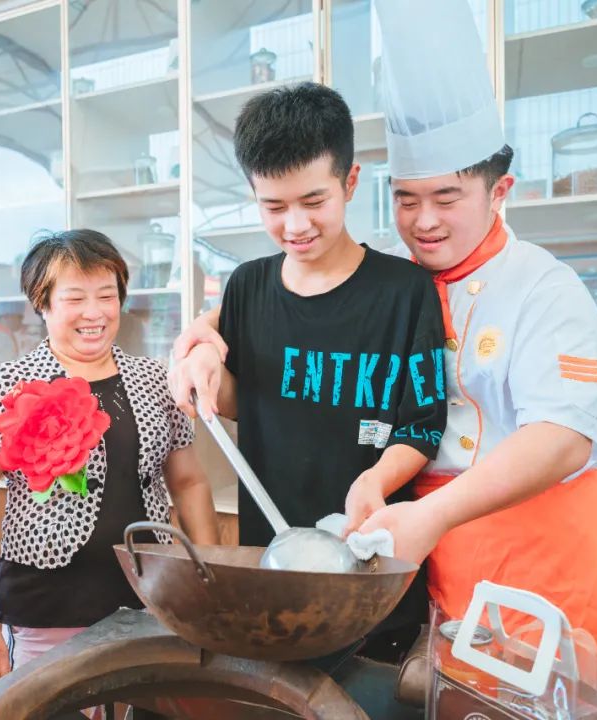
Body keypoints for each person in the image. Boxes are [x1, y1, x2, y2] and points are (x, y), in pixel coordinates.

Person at [174, 2, 597, 714]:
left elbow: (562, 438)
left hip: (547, 549)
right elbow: (294, 298)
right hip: (432, 556)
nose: (425, 221)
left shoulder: (544, 286)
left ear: (499, 192)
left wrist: (431, 516)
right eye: (407, 199)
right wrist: (203, 332)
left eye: (447, 198)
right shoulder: (406, 278)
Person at [168, 82, 447, 665]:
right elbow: (246, 403)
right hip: (274, 565)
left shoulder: (404, 291)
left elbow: (422, 424)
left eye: (313, 201)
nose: (295, 225)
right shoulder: (246, 286)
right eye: (273, 207)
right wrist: (203, 363)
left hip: (374, 572)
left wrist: (374, 482)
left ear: (350, 182)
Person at [0, 229, 220, 695]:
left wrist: (209, 581)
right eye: (75, 298)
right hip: (46, 611)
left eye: (107, 296)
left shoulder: (156, 379)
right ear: (43, 303)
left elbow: (189, 482)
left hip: (153, 602)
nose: (94, 313)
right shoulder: (7, 386)